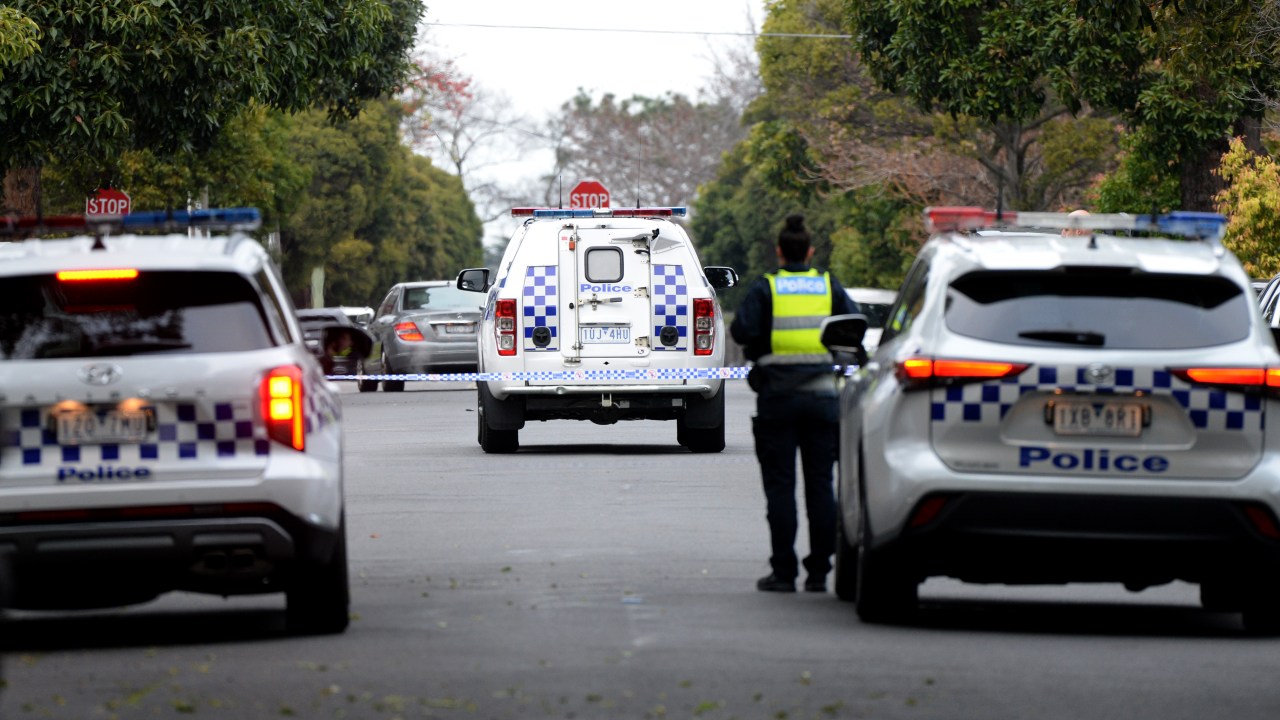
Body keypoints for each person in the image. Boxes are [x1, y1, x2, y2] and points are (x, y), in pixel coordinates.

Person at [730, 214, 861, 593]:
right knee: (822, 486)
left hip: (778, 399)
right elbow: (854, 324)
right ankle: (819, 571)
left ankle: (784, 572)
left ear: (780, 252)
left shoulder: (767, 288)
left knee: (781, 488)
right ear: (810, 250)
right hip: (822, 398)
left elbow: (741, 330)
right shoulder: (827, 285)